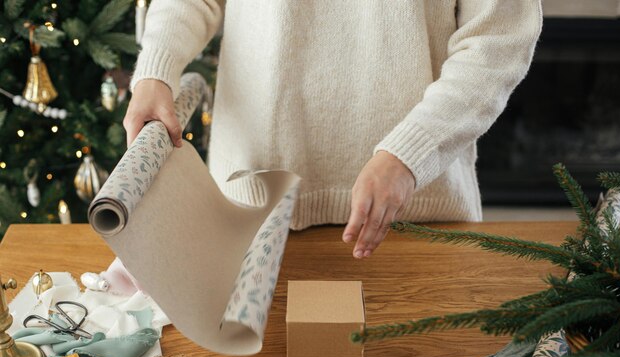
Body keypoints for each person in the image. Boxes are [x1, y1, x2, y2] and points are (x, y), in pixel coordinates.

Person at [124, 0, 542, 259]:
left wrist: (408, 154)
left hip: (418, 220)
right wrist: (155, 72)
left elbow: (497, 43)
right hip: (252, 212)